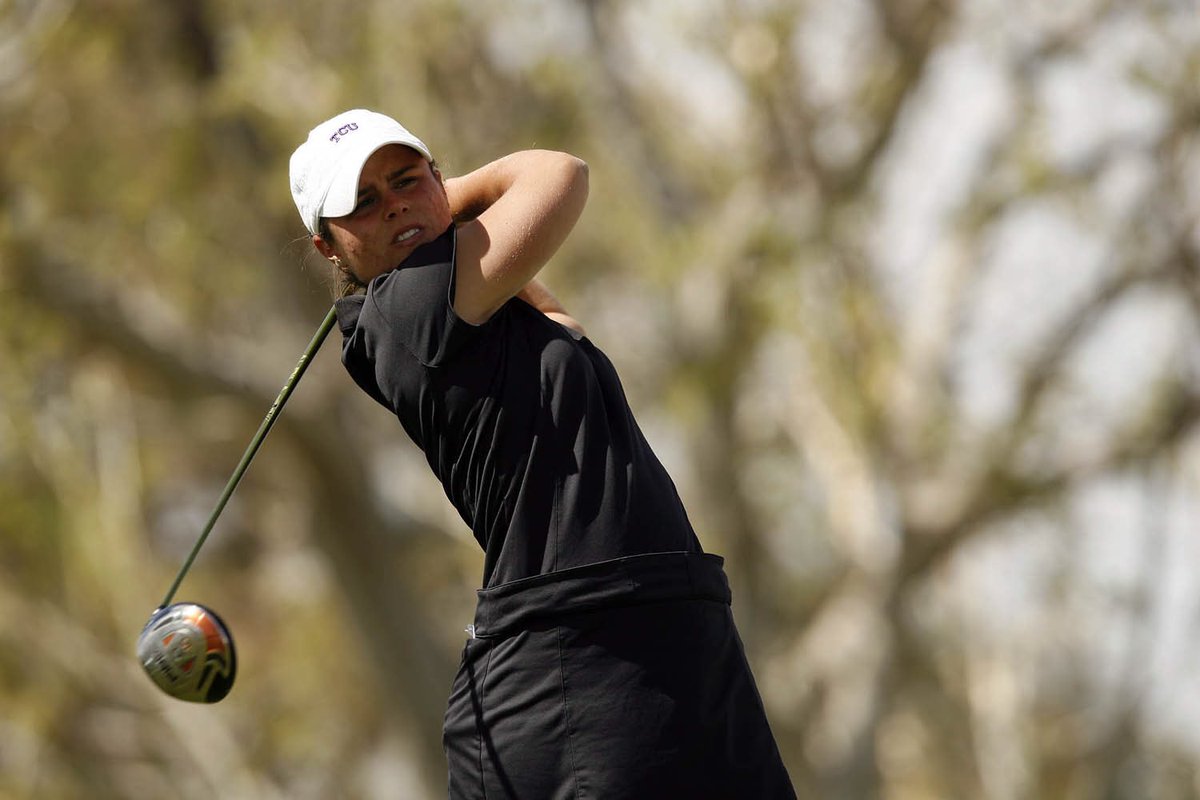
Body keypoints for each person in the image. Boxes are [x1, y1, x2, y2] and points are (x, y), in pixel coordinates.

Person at [289, 108, 795, 799]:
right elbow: (558, 175)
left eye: (405, 179)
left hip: (666, 642)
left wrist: (424, 208)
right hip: (579, 670)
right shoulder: (404, 312)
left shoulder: (475, 305)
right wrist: (443, 197)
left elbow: (565, 327)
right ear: (329, 248)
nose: (393, 205)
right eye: (363, 204)